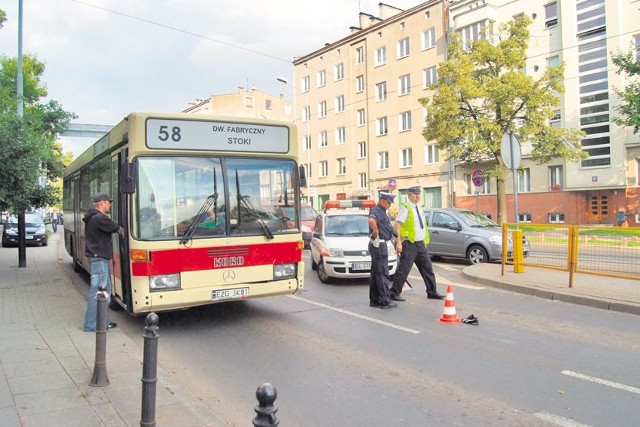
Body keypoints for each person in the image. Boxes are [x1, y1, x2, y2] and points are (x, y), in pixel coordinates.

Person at [390, 186, 444, 301]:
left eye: (419, 194)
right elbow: (397, 225)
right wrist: (399, 242)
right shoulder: (406, 207)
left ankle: (432, 291)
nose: (418, 196)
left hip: (420, 244)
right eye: (415, 194)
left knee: (427, 268)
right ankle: (394, 293)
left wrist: (424, 241)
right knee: (404, 269)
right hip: (409, 243)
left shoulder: (418, 208)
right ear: (409, 195)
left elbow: (422, 226)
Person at [83, 192, 124, 332]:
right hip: (99, 259)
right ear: (101, 203)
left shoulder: (93, 217)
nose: (110, 204)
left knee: (105, 292)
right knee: (98, 292)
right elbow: (118, 229)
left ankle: (104, 321)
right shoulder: (100, 218)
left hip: (98, 258)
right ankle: (91, 325)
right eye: (108, 202)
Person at [367, 192, 397, 309]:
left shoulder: (382, 212)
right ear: (382, 200)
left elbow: (387, 227)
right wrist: (376, 231)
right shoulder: (376, 211)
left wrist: (395, 234)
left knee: (375, 274)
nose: (390, 205)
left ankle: (374, 299)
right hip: (379, 245)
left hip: (379, 245)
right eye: (389, 202)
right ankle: (385, 300)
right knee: (382, 273)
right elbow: (371, 221)